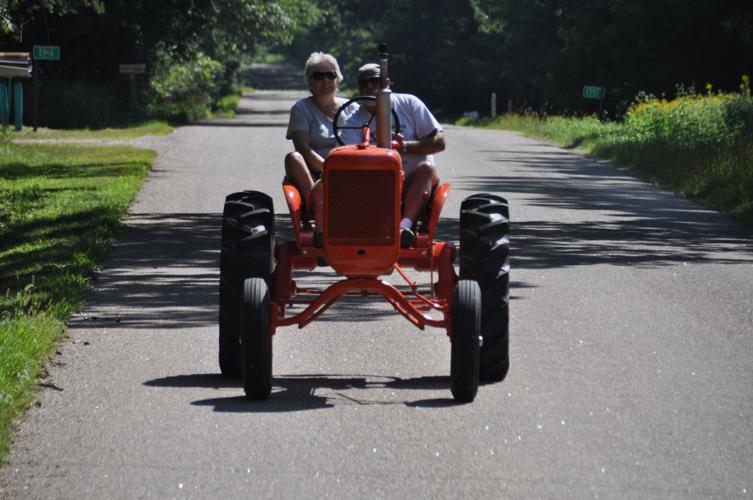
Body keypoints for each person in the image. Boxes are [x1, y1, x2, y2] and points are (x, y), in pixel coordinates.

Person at [343, 63, 445, 248]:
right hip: (374, 187)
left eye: (375, 82)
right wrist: (379, 149)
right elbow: (349, 160)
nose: (369, 87)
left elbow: (439, 142)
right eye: (364, 83)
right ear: (358, 88)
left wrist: (403, 146)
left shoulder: (409, 104)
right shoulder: (352, 121)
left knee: (427, 168)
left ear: (387, 83)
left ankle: (404, 227)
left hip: (413, 181)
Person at [285, 52, 352, 227]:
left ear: (338, 79)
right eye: (319, 76)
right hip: (315, 174)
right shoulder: (301, 109)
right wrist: (330, 170)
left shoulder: (353, 107)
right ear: (310, 82)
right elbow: (304, 149)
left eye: (330, 75)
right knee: (293, 158)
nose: (326, 81)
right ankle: (317, 207)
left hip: (351, 172)